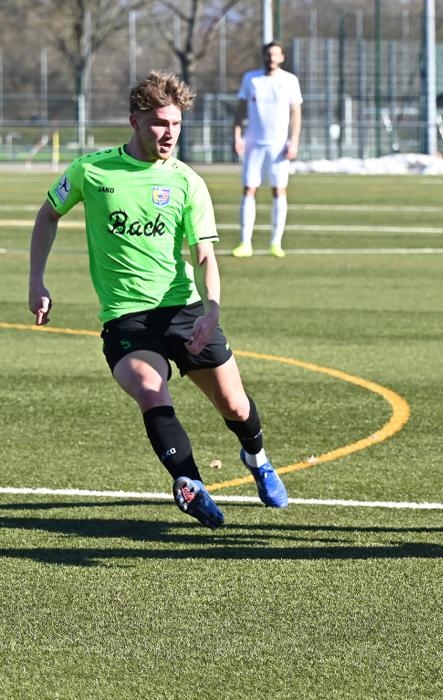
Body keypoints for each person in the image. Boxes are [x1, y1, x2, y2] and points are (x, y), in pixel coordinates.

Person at [28, 71, 289, 529]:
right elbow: (48, 213)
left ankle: (257, 458)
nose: (169, 133)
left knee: (235, 406)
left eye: (176, 124)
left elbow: (204, 253)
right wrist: (37, 281)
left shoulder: (188, 182)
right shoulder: (91, 171)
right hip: (127, 318)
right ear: (134, 120)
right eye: (159, 123)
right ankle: (191, 484)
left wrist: (211, 311)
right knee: (151, 389)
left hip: (185, 310)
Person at [231, 41, 303, 258]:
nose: (271, 58)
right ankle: (245, 243)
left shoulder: (290, 81)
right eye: (268, 54)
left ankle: (275, 242)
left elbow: (296, 113)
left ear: (282, 58)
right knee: (249, 189)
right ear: (263, 56)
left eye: (275, 55)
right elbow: (241, 110)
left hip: (279, 146)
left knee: (278, 190)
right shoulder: (251, 79)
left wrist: (294, 141)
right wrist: (237, 136)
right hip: (254, 145)